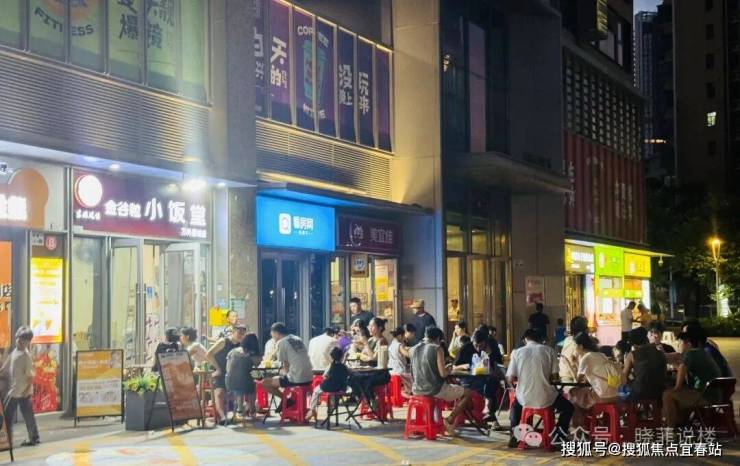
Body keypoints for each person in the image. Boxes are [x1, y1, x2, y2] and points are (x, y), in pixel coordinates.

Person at [506, 329, 573, 449]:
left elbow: (511, 378)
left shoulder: (517, 352)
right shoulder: (549, 351)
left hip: (524, 398)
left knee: (515, 406)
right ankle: (558, 436)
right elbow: (555, 378)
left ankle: (515, 436)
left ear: (525, 339)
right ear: (541, 339)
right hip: (546, 397)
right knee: (568, 408)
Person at [410, 326, 473, 436]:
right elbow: (443, 374)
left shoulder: (413, 349)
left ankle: (430, 422)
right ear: (438, 338)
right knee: (468, 393)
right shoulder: (437, 348)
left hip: (416, 390)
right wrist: (448, 369)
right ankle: (449, 419)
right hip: (435, 389)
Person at [662, 330, 721, 428]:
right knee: (680, 393)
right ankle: (680, 424)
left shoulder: (690, 353)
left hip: (705, 395)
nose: (678, 345)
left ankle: (670, 429)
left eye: (680, 342)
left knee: (667, 395)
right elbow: (683, 367)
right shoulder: (703, 352)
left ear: (688, 344)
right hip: (716, 393)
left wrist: (676, 387)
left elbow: (682, 369)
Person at [568, 332, 619, 427]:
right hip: (614, 394)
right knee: (582, 395)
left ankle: (579, 427)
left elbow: (578, 381)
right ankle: (591, 424)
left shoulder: (586, 358)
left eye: (575, 346)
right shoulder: (601, 355)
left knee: (572, 393)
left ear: (581, 346)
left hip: (601, 395)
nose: (574, 349)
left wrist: (572, 365)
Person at [1, 327, 40, 446]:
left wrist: (27, 390)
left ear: (28, 342)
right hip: (15, 390)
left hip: (21, 391)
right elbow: (7, 365)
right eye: (19, 339)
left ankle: (9, 440)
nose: (20, 342)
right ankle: (33, 438)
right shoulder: (15, 352)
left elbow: (30, 376)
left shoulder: (26, 356)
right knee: (26, 415)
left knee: (8, 416)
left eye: (24, 340)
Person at [261, 323, 313, 408]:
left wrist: (281, 376)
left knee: (265, 383)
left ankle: (286, 400)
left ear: (276, 333)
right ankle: (288, 401)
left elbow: (286, 366)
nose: (272, 338)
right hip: (309, 377)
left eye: (272, 335)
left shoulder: (282, 342)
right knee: (279, 378)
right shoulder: (297, 338)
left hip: (297, 379)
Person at [206, 325, 247, 424]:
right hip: (218, 372)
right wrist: (217, 368)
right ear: (233, 331)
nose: (241, 335)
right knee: (219, 393)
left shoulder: (241, 345)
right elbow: (209, 354)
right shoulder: (223, 341)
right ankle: (222, 417)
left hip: (232, 374)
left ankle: (234, 413)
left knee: (238, 391)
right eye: (239, 333)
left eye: (243, 334)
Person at [471, 330, 504, 429]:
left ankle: (489, 413)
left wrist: (490, 354)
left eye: (480, 345)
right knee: (486, 386)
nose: (478, 348)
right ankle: (489, 415)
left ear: (485, 342)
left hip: (491, 376)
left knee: (490, 384)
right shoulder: (469, 347)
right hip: (474, 377)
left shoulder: (493, 346)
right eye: (475, 345)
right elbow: (461, 362)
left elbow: (499, 362)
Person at [622, 327, 667, 400]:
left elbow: (624, 376)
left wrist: (625, 363)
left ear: (633, 343)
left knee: (621, 391)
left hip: (640, 391)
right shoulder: (660, 352)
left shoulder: (632, 355)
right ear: (646, 338)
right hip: (659, 390)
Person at [306, 347, 349, 422]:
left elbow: (324, 376)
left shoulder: (331, 365)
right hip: (340, 387)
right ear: (342, 356)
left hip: (328, 386)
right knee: (333, 393)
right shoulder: (344, 367)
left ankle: (312, 409)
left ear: (331, 357)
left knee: (316, 391)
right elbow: (347, 374)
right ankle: (332, 407)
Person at [226, 331, 258, 420]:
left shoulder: (233, 351)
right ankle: (252, 410)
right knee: (252, 382)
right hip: (245, 382)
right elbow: (255, 369)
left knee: (241, 380)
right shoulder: (251, 354)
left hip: (230, 381)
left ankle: (240, 409)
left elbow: (228, 368)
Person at [559, 316, 589, 384]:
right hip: (573, 378)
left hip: (563, 376)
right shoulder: (579, 342)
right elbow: (572, 361)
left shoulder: (567, 339)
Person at [389, 326, 413, 395]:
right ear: (400, 336)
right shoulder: (399, 345)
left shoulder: (392, 344)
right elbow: (407, 354)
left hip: (391, 371)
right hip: (399, 372)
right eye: (403, 335)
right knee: (414, 377)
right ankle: (409, 393)